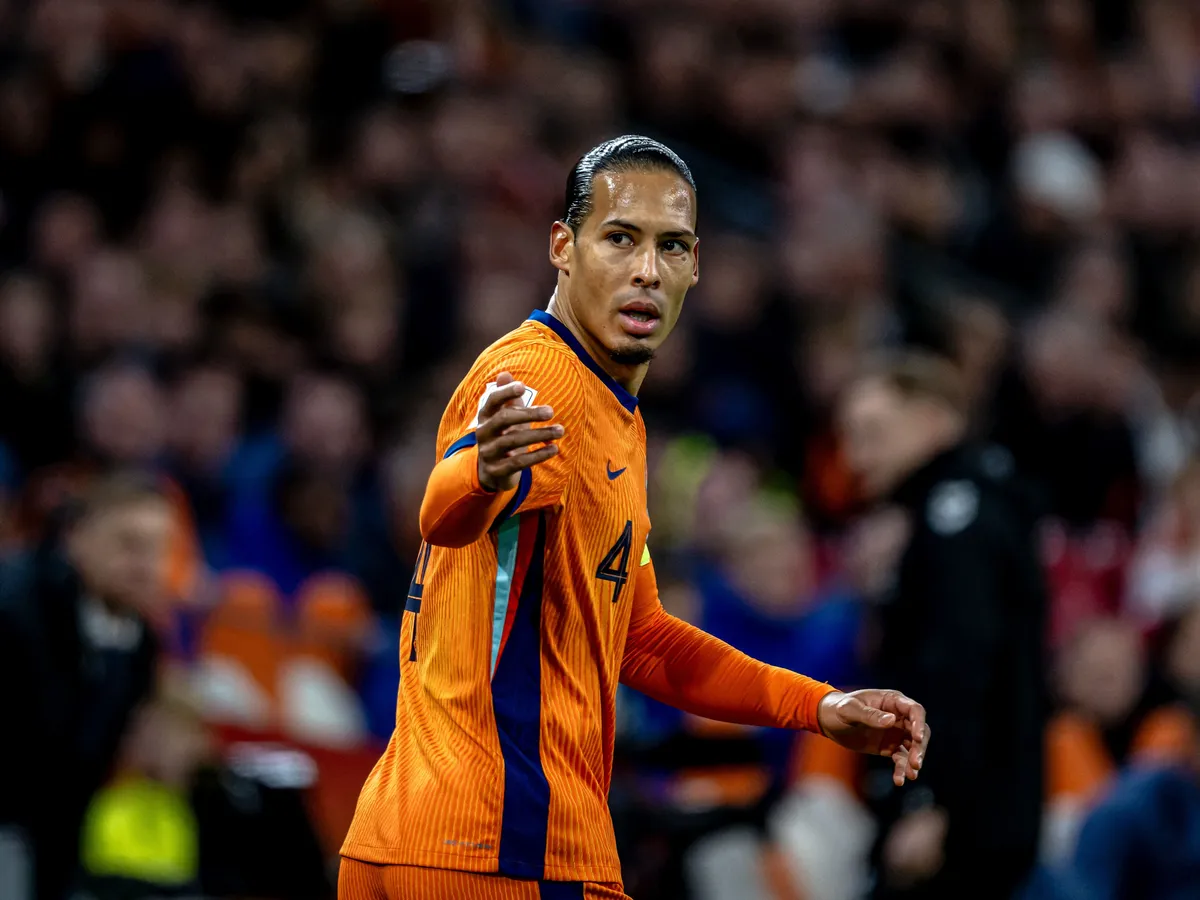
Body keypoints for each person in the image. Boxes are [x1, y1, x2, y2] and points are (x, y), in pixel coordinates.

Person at [340, 136, 930, 900]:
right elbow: (446, 514)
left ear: (695, 267)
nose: (646, 270)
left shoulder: (613, 413)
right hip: (507, 846)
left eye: (671, 246)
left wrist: (816, 706)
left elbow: (644, 641)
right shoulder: (543, 374)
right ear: (563, 245)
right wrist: (477, 473)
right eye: (620, 238)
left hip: (419, 837)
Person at [838, 353, 1047, 900]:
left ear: (935, 420)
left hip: (958, 818)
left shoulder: (954, 519)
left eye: (874, 432)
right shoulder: (974, 505)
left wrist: (930, 802)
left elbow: (959, 671)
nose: (856, 457)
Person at [0, 472, 173, 900]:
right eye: (129, 545)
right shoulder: (13, 609)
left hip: (59, 833)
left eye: (158, 550)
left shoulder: (140, 643)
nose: (146, 566)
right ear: (76, 537)